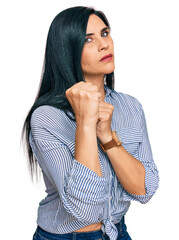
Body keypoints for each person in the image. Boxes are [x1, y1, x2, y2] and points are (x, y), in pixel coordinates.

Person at [22, 6, 159, 240]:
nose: (104, 44)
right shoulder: (47, 117)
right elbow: (85, 210)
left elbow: (144, 189)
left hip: (116, 232)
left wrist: (107, 137)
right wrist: (85, 123)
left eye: (105, 33)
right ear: (67, 50)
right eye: (88, 39)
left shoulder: (131, 107)